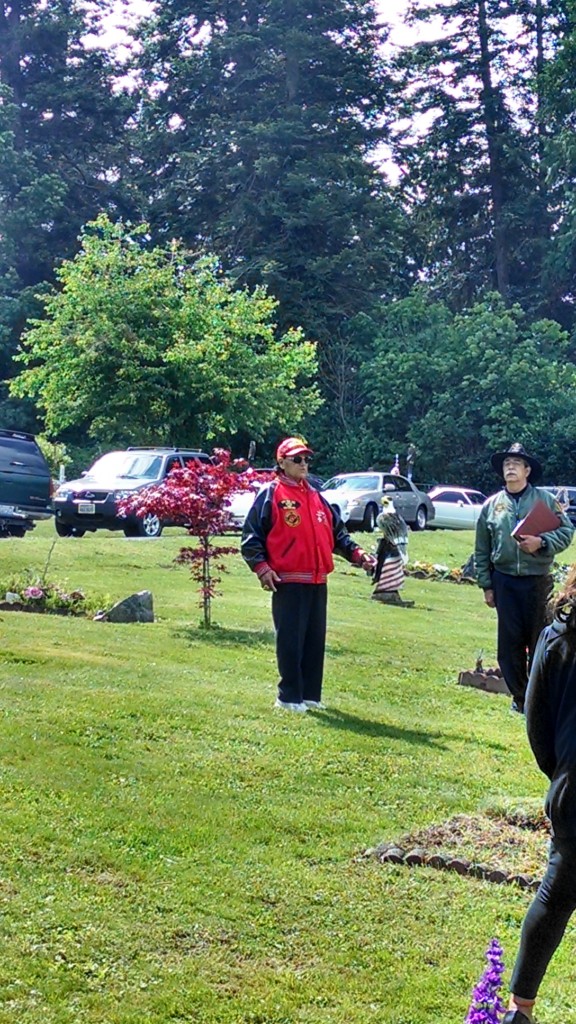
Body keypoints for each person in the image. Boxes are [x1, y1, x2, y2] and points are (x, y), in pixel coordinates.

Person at [241, 437, 376, 712]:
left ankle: (311, 695)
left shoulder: (316, 496)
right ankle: (288, 697)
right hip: (288, 581)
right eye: (297, 459)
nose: (304, 464)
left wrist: (359, 556)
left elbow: (338, 535)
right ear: (281, 462)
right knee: (290, 641)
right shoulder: (272, 495)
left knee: (315, 641)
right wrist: (262, 569)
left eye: (306, 459)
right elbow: (251, 538)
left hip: (317, 580)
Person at [504, 567, 576, 1023]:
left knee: (554, 896)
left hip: (574, 792)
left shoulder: (558, 638)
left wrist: (562, 773)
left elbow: (537, 723)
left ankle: (519, 1009)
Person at [475, 442, 573, 714]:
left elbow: (566, 533)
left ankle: (539, 696)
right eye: (507, 464)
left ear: (527, 470)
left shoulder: (545, 501)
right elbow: (482, 549)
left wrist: (541, 542)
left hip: (537, 582)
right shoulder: (491, 505)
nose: (510, 469)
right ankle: (520, 698)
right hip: (505, 581)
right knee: (509, 644)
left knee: (540, 639)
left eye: (516, 464)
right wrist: (486, 585)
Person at [371, 497, 413, 607]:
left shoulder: (384, 518)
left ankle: (387, 589)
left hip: (393, 546)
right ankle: (384, 590)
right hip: (392, 545)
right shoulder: (397, 518)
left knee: (390, 564)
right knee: (387, 564)